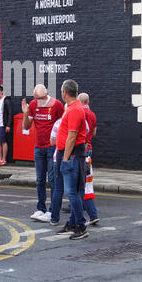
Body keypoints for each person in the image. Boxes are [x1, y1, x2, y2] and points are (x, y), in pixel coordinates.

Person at [21, 84, 64, 222]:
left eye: (39, 98)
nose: (37, 100)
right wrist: (26, 113)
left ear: (46, 95)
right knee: (40, 180)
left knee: (52, 179)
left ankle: (52, 210)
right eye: (35, 98)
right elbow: (26, 126)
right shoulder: (33, 104)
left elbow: (63, 124)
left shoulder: (57, 105)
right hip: (38, 147)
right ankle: (41, 208)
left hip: (52, 147)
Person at [55, 79, 88, 240]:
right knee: (74, 191)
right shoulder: (72, 108)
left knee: (71, 192)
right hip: (73, 154)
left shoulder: (74, 109)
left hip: (72, 155)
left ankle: (81, 225)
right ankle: (73, 222)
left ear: (64, 93)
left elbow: (72, 136)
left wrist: (65, 159)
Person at [78, 92, 99, 225]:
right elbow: (94, 131)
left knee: (81, 183)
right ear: (88, 101)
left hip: (80, 150)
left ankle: (87, 211)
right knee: (86, 181)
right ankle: (85, 208)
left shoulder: (78, 112)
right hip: (88, 147)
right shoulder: (92, 114)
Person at [0, 85, 12, 165]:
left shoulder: (6, 100)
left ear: (1, 91)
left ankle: (4, 159)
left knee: (3, 141)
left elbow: (10, 113)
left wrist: (8, 125)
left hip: (3, 124)